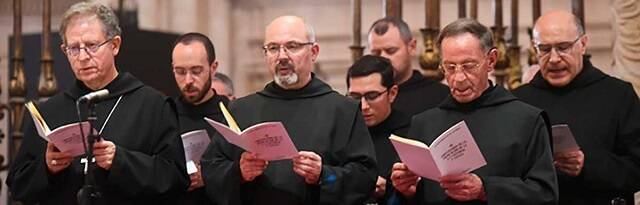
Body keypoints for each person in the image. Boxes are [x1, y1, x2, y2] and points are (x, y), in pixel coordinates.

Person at [6, 2, 188, 204]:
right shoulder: (49, 110)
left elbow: (176, 179)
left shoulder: (154, 106)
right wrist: (47, 167)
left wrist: (120, 160)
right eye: (73, 48)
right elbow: (17, 185)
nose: (82, 57)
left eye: (92, 46)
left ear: (115, 45)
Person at [201, 15, 377, 205]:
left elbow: (365, 176)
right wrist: (239, 172)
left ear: (314, 52)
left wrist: (324, 175)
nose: (282, 56)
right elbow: (212, 168)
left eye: (292, 46)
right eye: (273, 48)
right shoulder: (241, 109)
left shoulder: (343, 110)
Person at [389, 18, 558, 204]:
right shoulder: (423, 124)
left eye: (469, 66)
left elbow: (545, 195)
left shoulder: (527, 120)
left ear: (491, 61)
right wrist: (406, 192)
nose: (458, 78)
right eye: (450, 67)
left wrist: (486, 190)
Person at [513, 10, 640, 205]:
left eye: (563, 47)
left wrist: (586, 165)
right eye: (544, 49)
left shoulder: (618, 95)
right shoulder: (518, 101)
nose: (554, 58)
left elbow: (636, 170)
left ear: (583, 44)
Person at [171, 32, 228, 205]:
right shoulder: (164, 114)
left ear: (213, 67)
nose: (188, 80)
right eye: (180, 72)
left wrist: (210, 175)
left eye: (196, 71)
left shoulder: (233, 114)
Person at [346, 55, 410, 204]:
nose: (363, 106)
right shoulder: (342, 131)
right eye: (355, 97)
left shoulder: (412, 132)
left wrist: (389, 188)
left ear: (392, 93)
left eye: (372, 96)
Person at [368, 17, 449, 117]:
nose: (383, 57)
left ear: (411, 47)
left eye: (391, 50)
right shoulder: (363, 98)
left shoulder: (441, 96)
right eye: (376, 53)